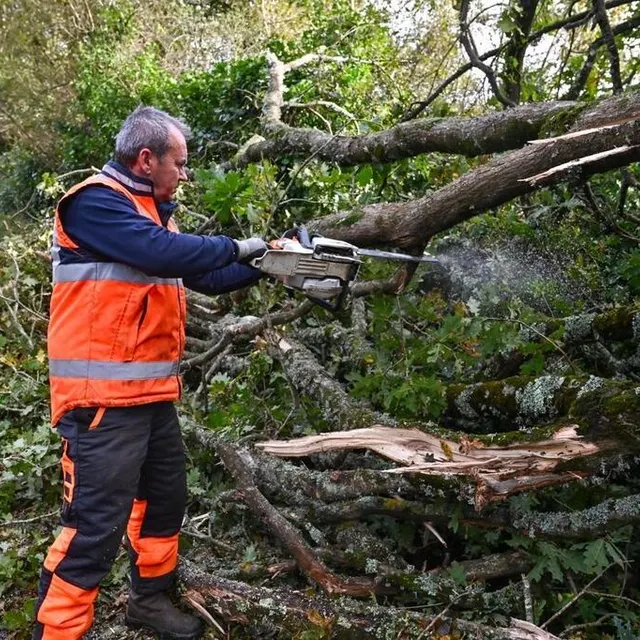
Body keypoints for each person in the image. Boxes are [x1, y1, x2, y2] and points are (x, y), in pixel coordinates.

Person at [33, 106, 269, 640]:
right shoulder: (93, 204)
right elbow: (159, 254)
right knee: (92, 530)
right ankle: (57, 633)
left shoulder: (154, 213)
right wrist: (236, 244)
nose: (184, 175)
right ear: (146, 159)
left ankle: (149, 600)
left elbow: (205, 276)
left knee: (164, 503)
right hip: (100, 405)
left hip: (152, 397)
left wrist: (272, 258)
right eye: (179, 164)